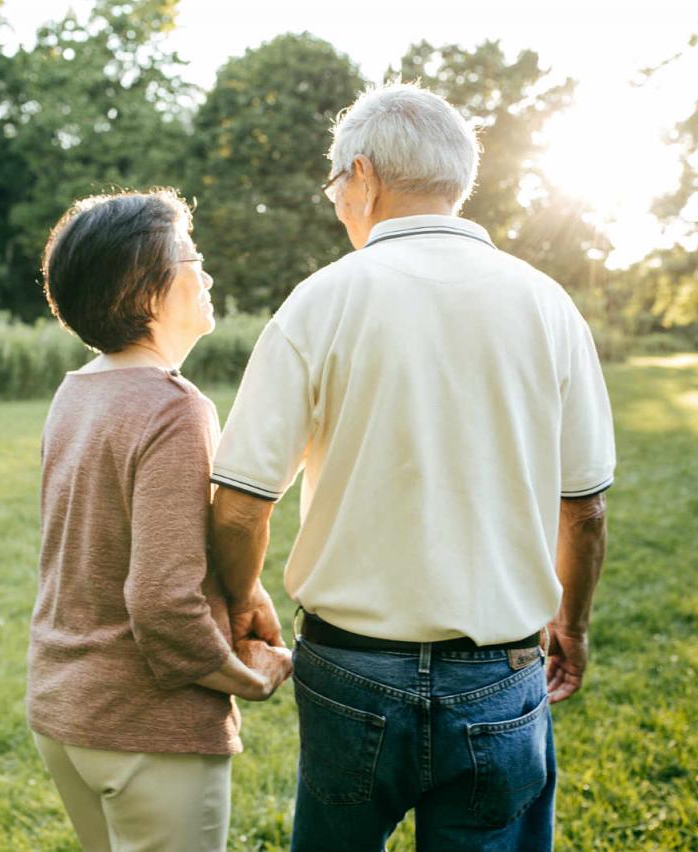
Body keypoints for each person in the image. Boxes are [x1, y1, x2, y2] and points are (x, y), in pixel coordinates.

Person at [208, 84, 615, 851]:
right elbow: (585, 509)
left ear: (361, 175)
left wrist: (240, 596)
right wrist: (576, 625)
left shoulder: (318, 302)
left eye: (336, 188)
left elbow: (238, 504)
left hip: (351, 668)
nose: (338, 205)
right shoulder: (548, 305)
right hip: (499, 669)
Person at [27, 189, 293, 852]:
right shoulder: (174, 407)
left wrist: (243, 589)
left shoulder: (77, 391)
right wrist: (243, 678)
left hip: (63, 715)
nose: (206, 275)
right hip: (146, 731)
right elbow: (161, 603)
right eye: (191, 258)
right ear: (142, 291)